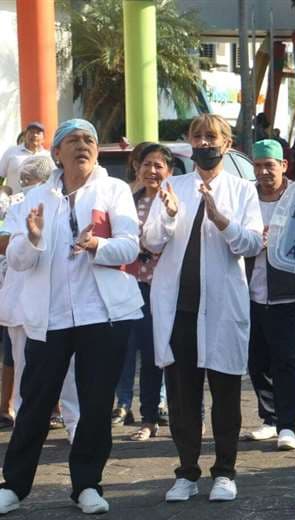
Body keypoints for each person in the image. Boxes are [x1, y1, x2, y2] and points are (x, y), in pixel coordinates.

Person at [0, 119, 143, 515]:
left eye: (90, 140)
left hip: (104, 314)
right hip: (50, 316)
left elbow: (130, 247)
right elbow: (15, 260)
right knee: (35, 402)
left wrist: (98, 244)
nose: (83, 146)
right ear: (57, 152)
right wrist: (31, 239)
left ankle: (87, 486)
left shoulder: (114, 190)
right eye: (74, 140)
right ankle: (14, 485)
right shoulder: (33, 199)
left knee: (96, 404)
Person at [142, 114, 263, 504]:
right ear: (190, 143)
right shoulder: (172, 186)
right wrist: (172, 214)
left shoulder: (243, 191)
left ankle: (225, 472)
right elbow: (152, 242)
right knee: (182, 395)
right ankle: (186, 472)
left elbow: (251, 245)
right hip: (179, 310)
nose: (205, 143)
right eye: (198, 136)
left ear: (226, 144)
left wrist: (224, 222)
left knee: (225, 392)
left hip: (223, 307)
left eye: (212, 137)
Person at [0, 156, 80, 442]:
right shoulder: (19, 202)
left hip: (63, 304)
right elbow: (4, 241)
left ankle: (76, 431)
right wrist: (31, 238)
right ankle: (26, 434)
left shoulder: (72, 198)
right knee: (26, 375)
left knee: (71, 374)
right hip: (23, 304)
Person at [240, 139, 295, 450]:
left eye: (270, 165)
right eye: (258, 165)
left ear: (283, 166)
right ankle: (270, 418)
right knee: (256, 359)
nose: (264, 171)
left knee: (285, 360)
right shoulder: (245, 195)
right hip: (248, 291)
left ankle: (288, 425)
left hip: (286, 293)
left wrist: (278, 240)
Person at [118, 143, 175, 442]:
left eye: (158, 165)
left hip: (168, 287)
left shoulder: (177, 201)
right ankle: (148, 418)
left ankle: (186, 415)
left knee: (169, 354)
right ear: (137, 168)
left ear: (169, 171)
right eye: (146, 165)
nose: (152, 171)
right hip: (133, 287)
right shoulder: (127, 200)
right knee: (144, 352)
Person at [0, 122, 50, 194]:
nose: (34, 135)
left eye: (38, 133)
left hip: (38, 202)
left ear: (43, 138)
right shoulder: (11, 152)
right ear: (25, 135)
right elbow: (1, 175)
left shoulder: (47, 156)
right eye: (31, 132)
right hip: (13, 202)